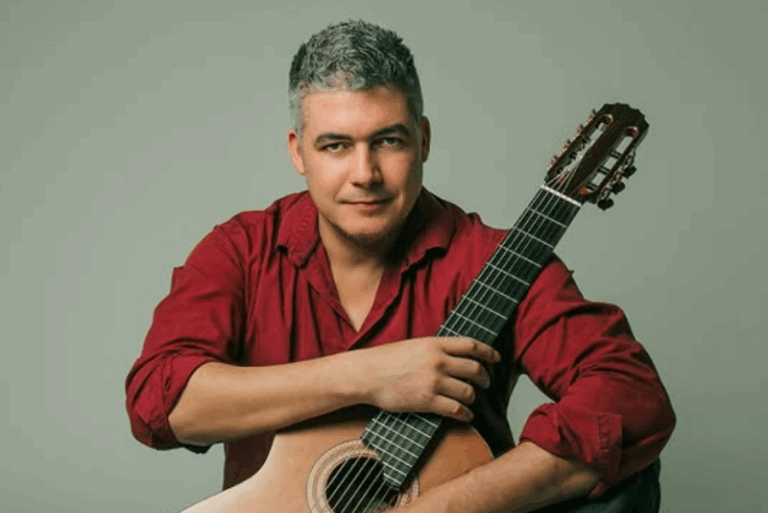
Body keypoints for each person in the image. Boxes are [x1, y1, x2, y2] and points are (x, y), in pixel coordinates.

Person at [125, 20, 675, 513]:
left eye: (388, 141)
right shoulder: (241, 250)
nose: (365, 174)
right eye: (335, 146)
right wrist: (370, 375)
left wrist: (445, 507)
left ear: (424, 141)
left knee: (625, 479)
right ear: (298, 152)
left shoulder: (496, 260)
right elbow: (160, 403)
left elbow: (630, 396)